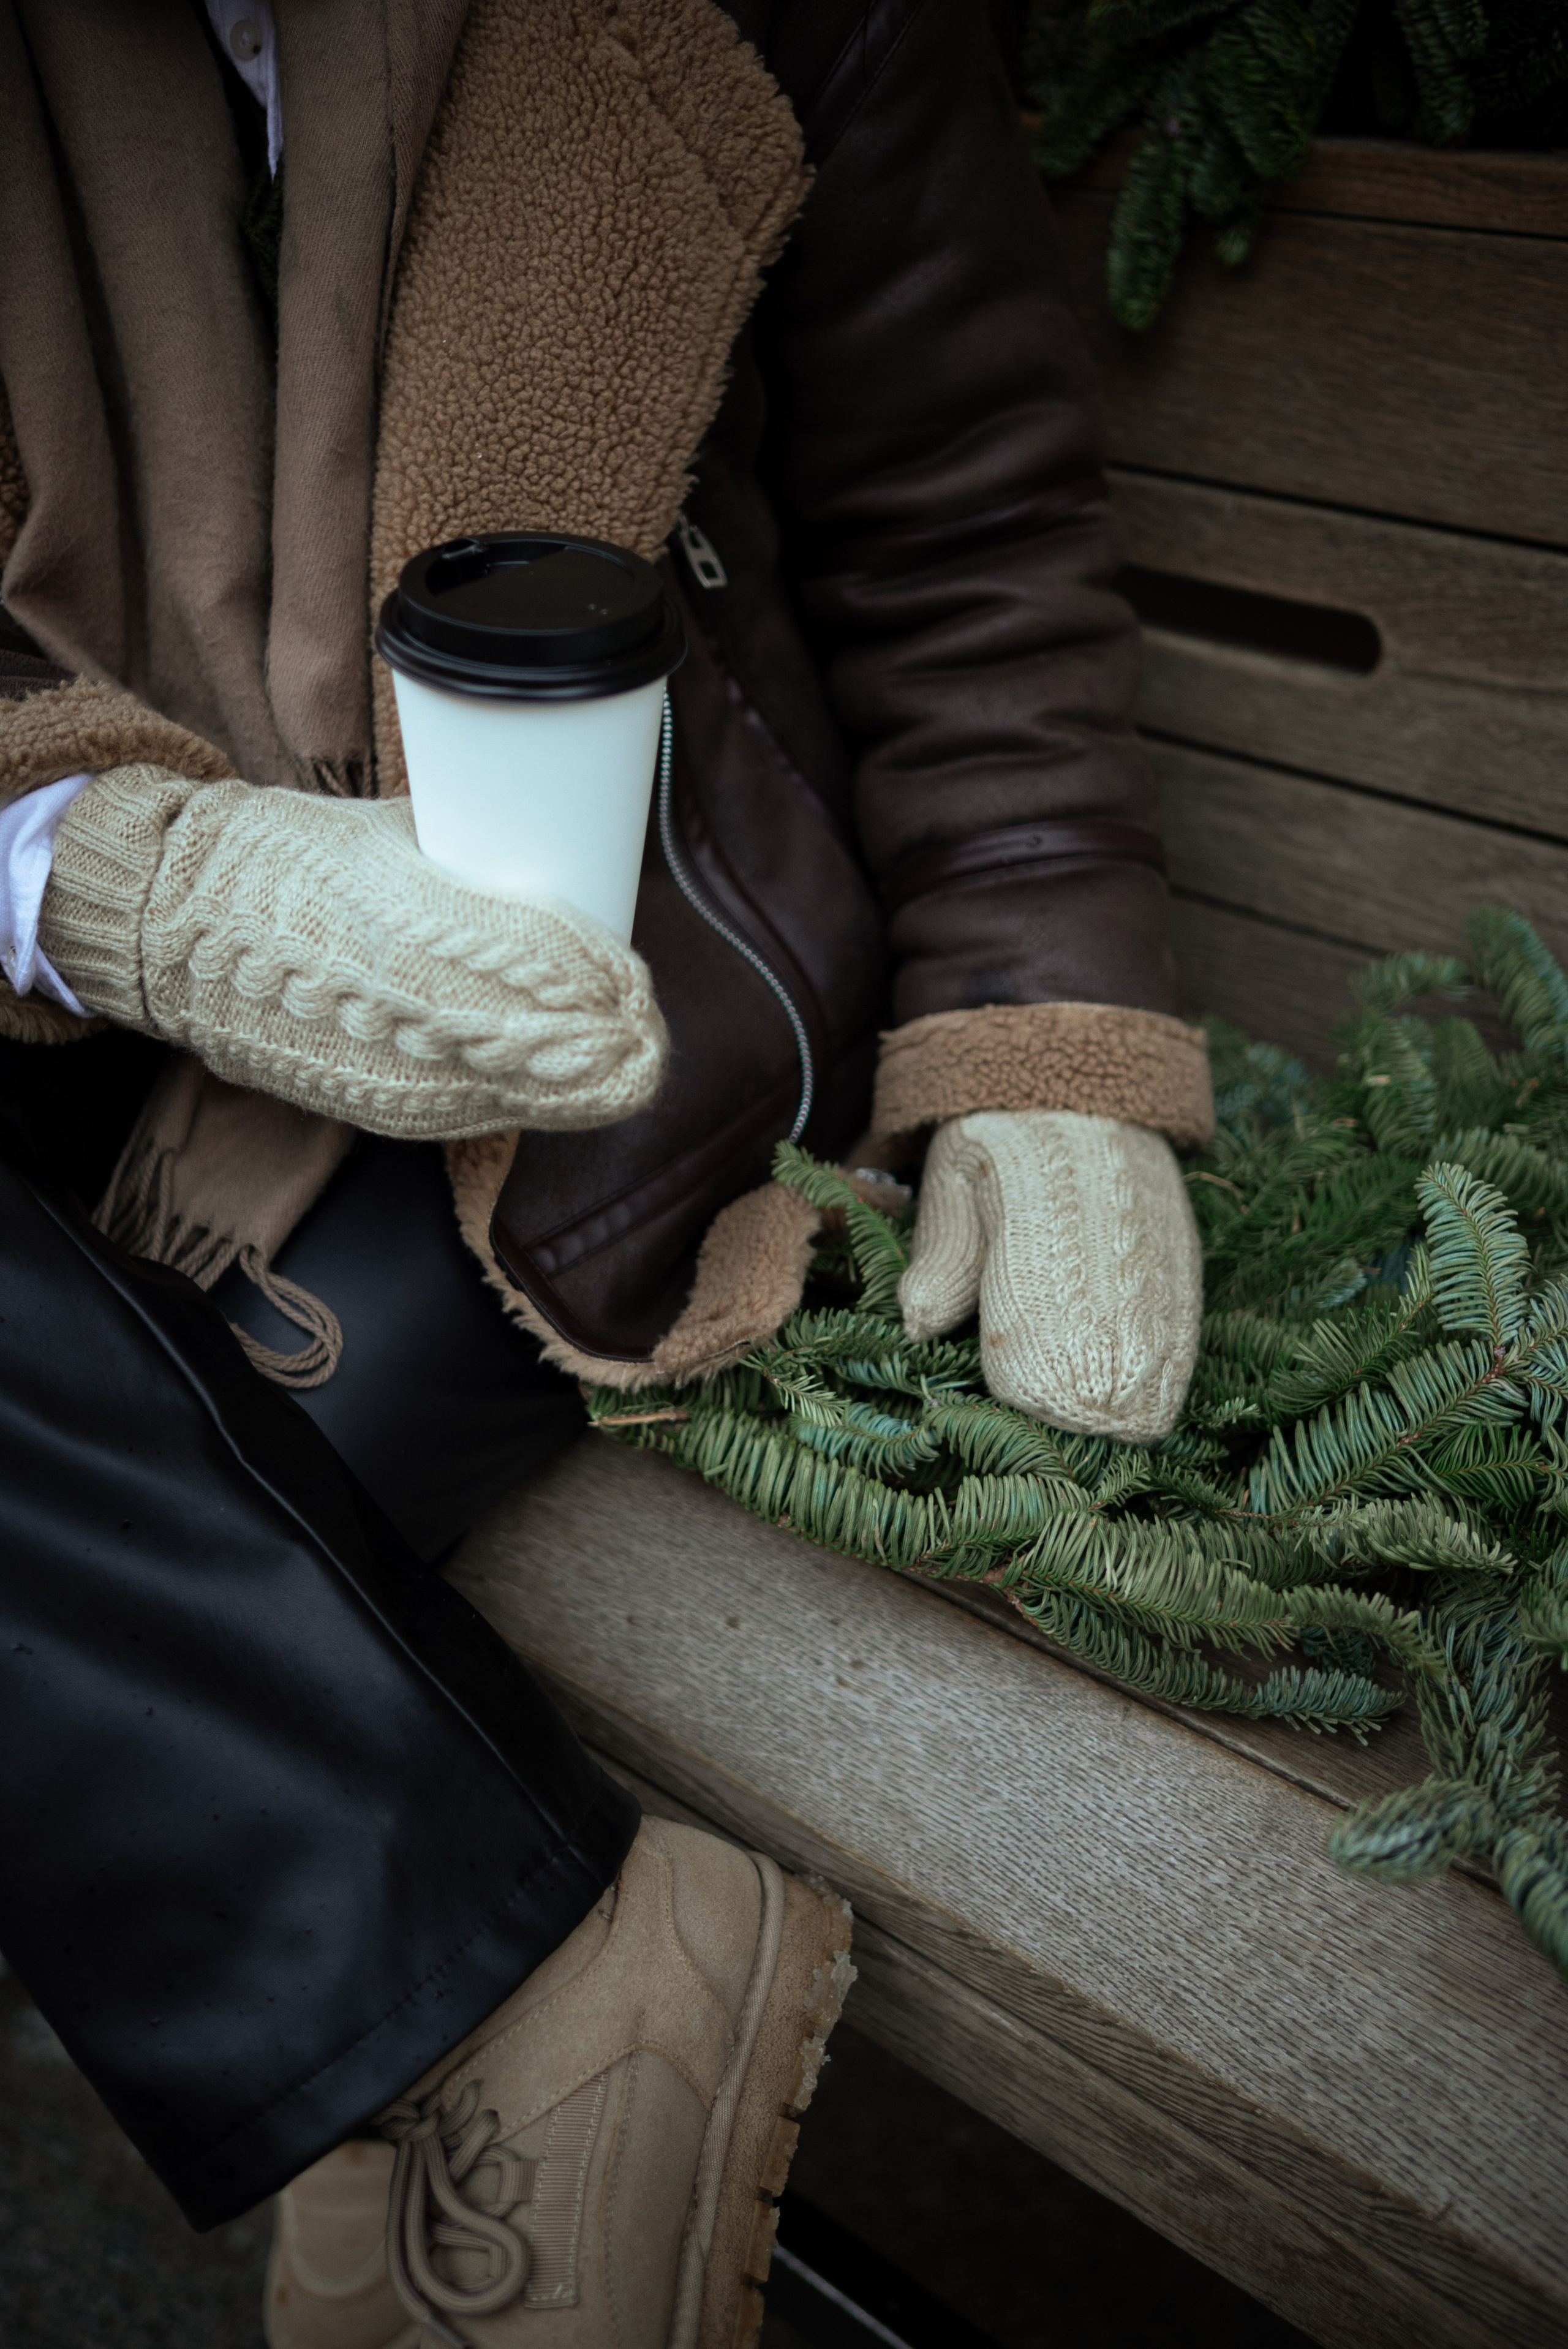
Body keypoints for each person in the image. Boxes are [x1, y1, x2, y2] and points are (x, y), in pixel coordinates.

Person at [0, 0, 1212, 2340]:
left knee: (245, 1449)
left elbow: (965, 523)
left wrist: (1049, 1037)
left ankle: (416, 2054)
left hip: (616, 1036)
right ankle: (521, 2017)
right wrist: (121, 873)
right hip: (72, 1027)